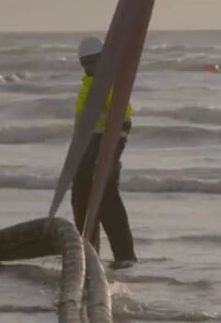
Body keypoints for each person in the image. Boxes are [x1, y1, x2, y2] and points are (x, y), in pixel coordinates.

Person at [71, 36, 137, 270]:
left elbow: (121, 116)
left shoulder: (110, 82)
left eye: (93, 62)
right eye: (85, 63)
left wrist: (107, 151)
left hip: (110, 139)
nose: (90, 68)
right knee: (81, 192)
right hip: (91, 143)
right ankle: (89, 251)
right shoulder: (89, 85)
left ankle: (124, 255)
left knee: (105, 193)